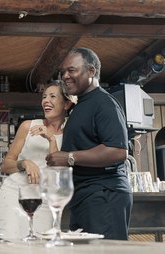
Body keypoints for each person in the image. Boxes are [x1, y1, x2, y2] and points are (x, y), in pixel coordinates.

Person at [46, 47, 133, 240]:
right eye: (63, 72)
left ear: (91, 71)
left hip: (103, 195)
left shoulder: (104, 103)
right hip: (84, 197)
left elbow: (118, 151)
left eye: (72, 70)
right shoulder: (81, 106)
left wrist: (69, 157)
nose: (65, 76)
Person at [0, 80, 75, 240]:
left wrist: (51, 139)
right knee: (10, 241)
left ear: (66, 104)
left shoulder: (71, 132)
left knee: (39, 245)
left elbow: (58, 171)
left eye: (53, 96)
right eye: (44, 97)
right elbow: (5, 166)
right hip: (14, 193)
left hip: (45, 200)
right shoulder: (27, 126)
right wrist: (24, 163)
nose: (46, 100)